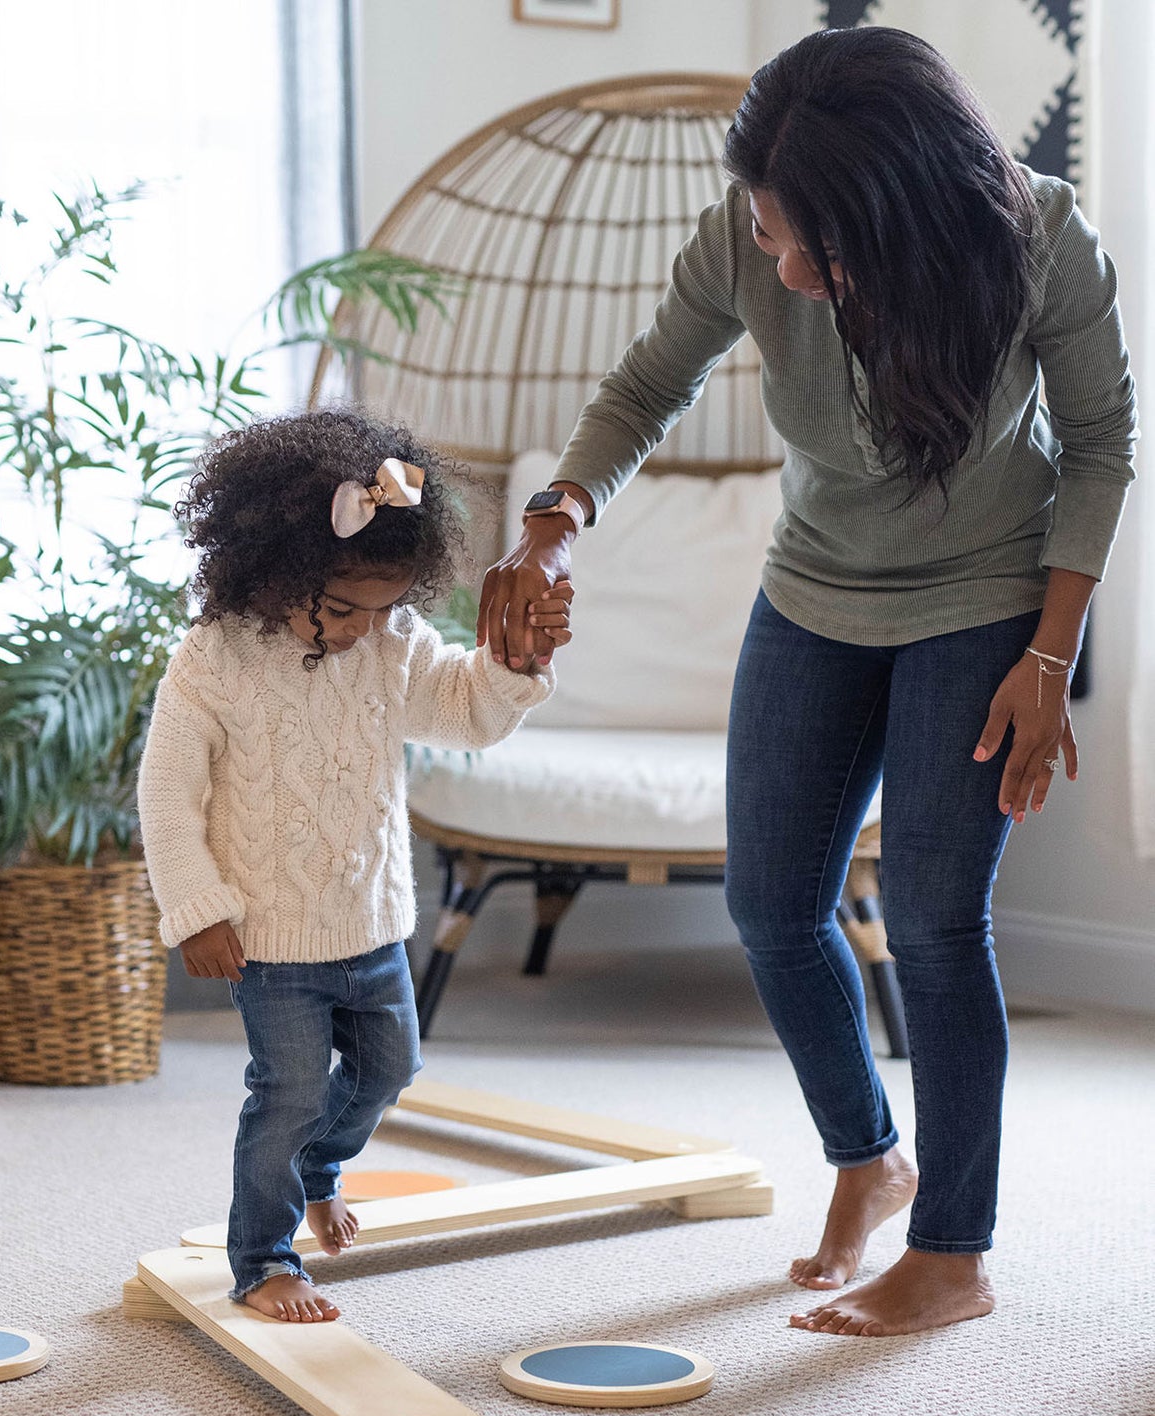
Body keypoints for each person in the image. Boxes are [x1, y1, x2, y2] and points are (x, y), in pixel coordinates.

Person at [477, 26, 1136, 1337]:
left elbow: (1105, 442)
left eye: (802, 243)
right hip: (813, 593)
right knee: (774, 908)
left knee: (940, 925)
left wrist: (1047, 657)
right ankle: (868, 1156)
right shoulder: (749, 236)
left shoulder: (1038, 238)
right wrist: (554, 518)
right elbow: (649, 381)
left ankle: (952, 1251)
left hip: (986, 606)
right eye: (765, 230)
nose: (774, 263)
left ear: (899, 216)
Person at [137, 408, 570, 1323]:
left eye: (383, 610)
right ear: (279, 568)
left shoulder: (387, 639)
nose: (359, 629)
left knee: (390, 1069)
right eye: (341, 608)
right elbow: (167, 794)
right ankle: (262, 1257)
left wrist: (514, 665)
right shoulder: (213, 659)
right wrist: (196, 908)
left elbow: (463, 710)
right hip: (268, 933)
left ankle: (319, 1170)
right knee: (287, 1092)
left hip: (370, 922)